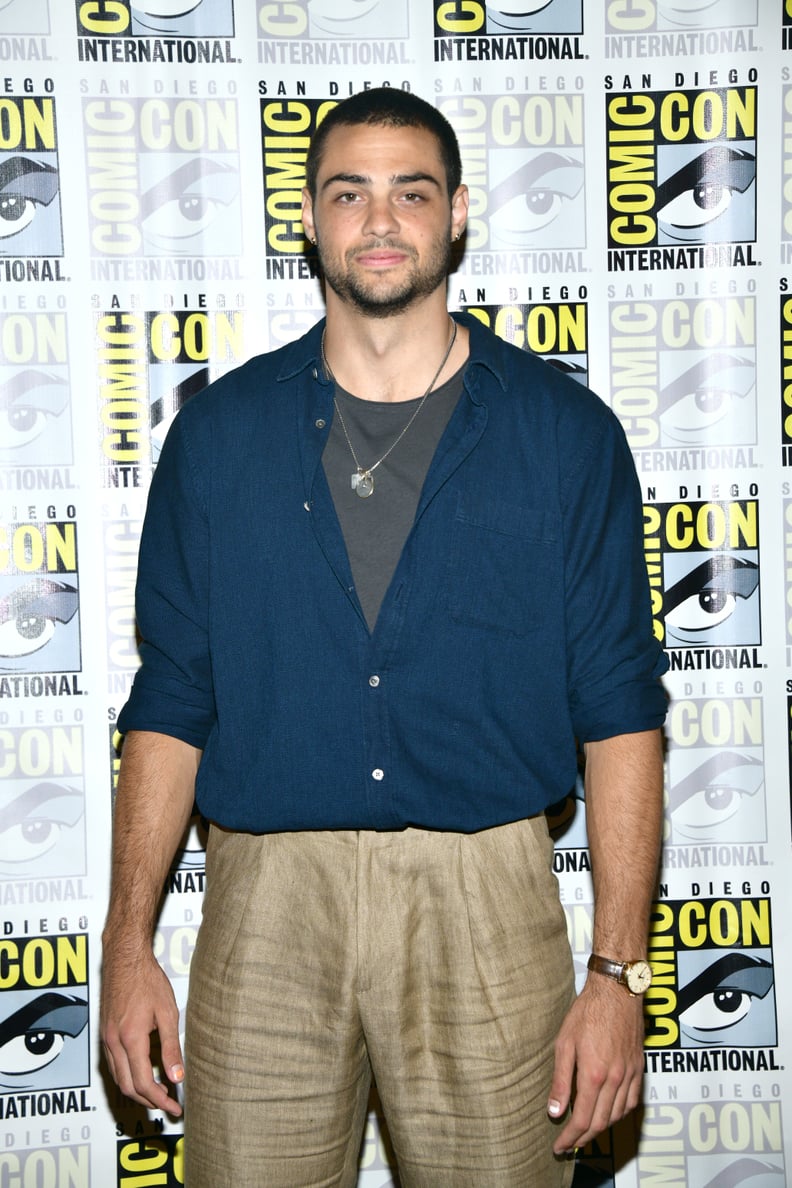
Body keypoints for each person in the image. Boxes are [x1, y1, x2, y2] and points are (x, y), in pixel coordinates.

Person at [101, 86, 668, 1187]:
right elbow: (172, 698)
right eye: (348, 193)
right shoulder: (218, 439)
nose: (380, 220)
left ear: (457, 213)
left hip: (489, 900)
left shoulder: (567, 438)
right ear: (308, 218)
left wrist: (618, 974)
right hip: (266, 903)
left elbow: (620, 708)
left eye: (411, 192)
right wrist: (127, 946)